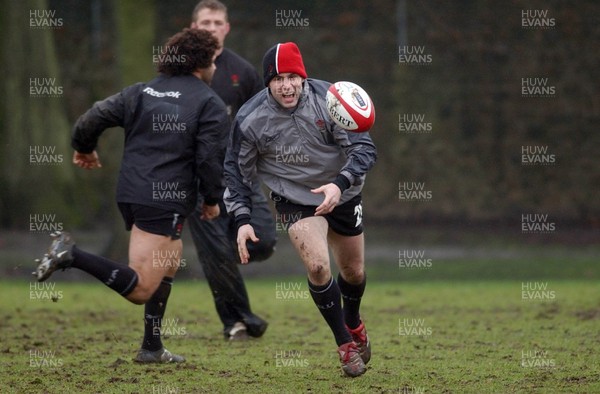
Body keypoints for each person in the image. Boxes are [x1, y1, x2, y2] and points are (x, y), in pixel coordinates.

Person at [33, 28, 229, 363]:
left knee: (169, 258)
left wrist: (84, 148)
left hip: (132, 193)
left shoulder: (142, 91)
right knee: (140, 289)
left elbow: (91, 117)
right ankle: (71, 254)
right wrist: (212, 199)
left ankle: (152, 347)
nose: (216, 68)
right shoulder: (208, 102)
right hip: (162, 199)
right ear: (203, 62)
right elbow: (209, 159)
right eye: (215, 61)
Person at [224, 42, 377, 377]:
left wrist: (340, 183)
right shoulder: (251, 119)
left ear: (303, 77)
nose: (287, 85)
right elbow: (236, 172)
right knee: (319, 266)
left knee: (353, 273)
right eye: (278, 78)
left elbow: (365, 149)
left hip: (343, 192)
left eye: (293, 76)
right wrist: (242, 219)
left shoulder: (330, 100)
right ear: (268, 83)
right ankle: (345, 345)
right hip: (295, 199)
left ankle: (352, 321)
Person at [189, 0, 277, 341]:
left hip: (240, 175)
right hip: (197, 180)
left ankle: (221, 262)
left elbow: (264, 118)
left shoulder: (243, 71)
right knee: (218, 254)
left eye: (217, 22)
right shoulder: (182, 73)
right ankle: (237, 323)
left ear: (227, 28)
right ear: (194, 27)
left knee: (265, 240)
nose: (211, 27)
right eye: (205, 22)